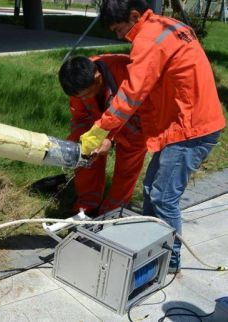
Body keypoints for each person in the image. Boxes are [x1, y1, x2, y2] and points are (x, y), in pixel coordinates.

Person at [79, 0, 226, 273]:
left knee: (163, 197)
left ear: (134, 15)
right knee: (151, 188)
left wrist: (101, 128)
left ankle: (168, 261)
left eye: (119, 28)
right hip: (188, 120)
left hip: (191, 126)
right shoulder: (168, 25)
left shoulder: (148, 39)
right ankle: (148, 245)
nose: (118, 36)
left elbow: (130, 95)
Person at [59, 54, 147, 216]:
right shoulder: (77, 82)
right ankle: (87, 205)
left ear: (98, 78)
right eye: (79, 97)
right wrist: (81, 142)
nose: (83, 99)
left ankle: (112, 211)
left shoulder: (126, 70)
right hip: (99, 123)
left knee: (127, 165)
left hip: (135, 121)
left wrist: (109, 138)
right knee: (83, 152)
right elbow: (80, 118)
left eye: (86, 95)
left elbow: (136, 107)